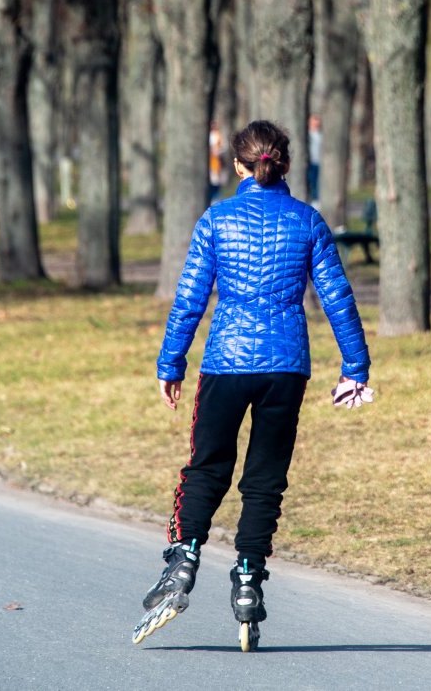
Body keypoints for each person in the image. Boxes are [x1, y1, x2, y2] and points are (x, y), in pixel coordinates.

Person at [132, 120, 373, 650]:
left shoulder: (216, 219)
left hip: (226, 363)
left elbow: (190, 298)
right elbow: (338, 297)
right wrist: (356, 367)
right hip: (285, 369)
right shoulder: (308, 222)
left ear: (239, 166)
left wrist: (169, 364)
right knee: (265, 478)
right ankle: (247, 579)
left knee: (207, 465)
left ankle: (183, 560)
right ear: (283, 164)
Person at [207, 120, 226, 205]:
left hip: (216, 164)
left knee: (216, 181)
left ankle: (215, 200)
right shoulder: (208, 135)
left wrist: (217, 151)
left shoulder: (218, 135)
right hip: (210, 163)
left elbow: (222, 148)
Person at [307, 113, 322, 206]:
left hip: (318, 162)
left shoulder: (321, 135)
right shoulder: (307, 136)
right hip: (310, 163)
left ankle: (315, 203)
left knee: (316, 184)